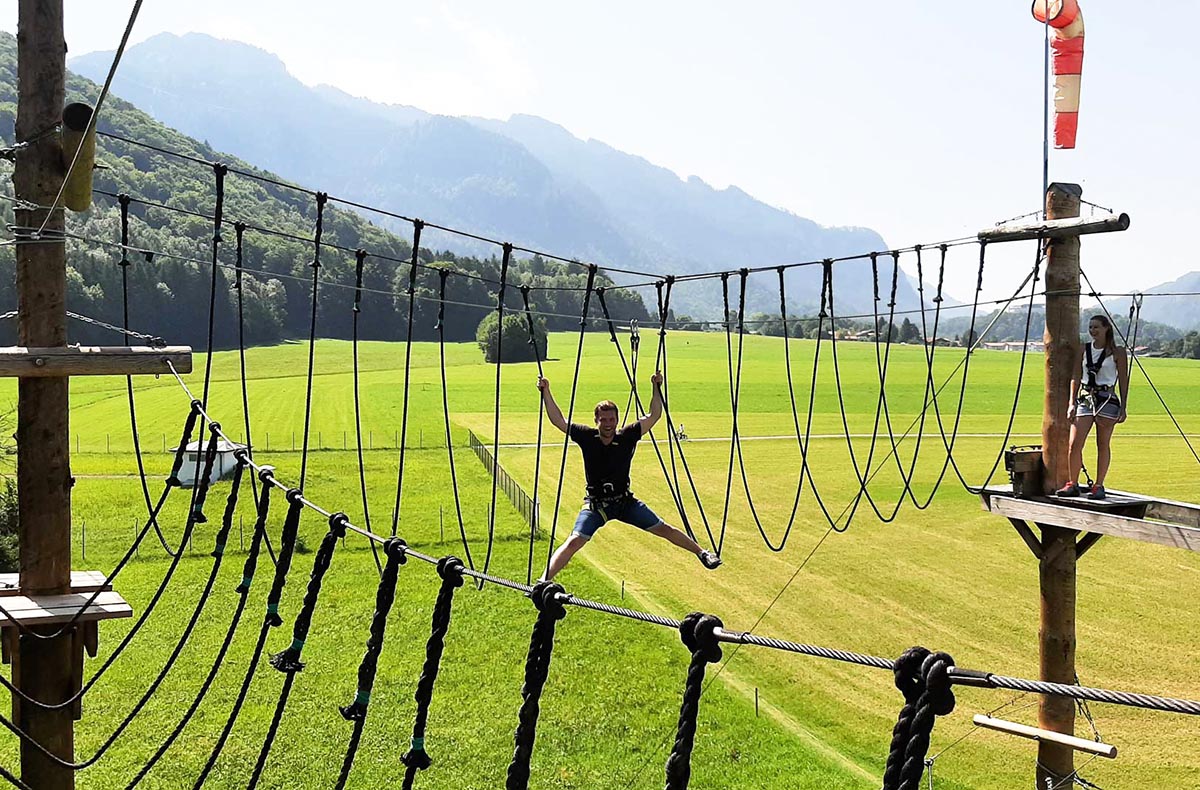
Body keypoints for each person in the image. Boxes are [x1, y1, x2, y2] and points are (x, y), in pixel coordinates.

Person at [536, 371, 722, 581]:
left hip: (625, 502)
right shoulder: (587, 437)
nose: (608, 423)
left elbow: (654, 416)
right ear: (596, 420)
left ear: (616, 419)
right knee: (574, 541)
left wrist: (656, 388)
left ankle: (703, 553)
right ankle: (544, 581)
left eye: (612, 419)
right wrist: (546, 391)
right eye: (603, 419)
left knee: (664, 529)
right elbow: (558, 420)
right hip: (597, 505)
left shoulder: (627, 436)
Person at [1056, 315, 1129, 500]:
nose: (1092, 330)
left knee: (1102, 444)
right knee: (1074, 444)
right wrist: (1071, 403)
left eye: (1096, 327)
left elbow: (1124, 381)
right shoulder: (1083, 349)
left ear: (1106, 328)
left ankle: (1098, 485)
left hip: (1107, 398)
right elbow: (1076, 375)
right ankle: (1072, 483)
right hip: (1086, 397)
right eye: (1090, 327)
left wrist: (1124, 407)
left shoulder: (1117, 352)